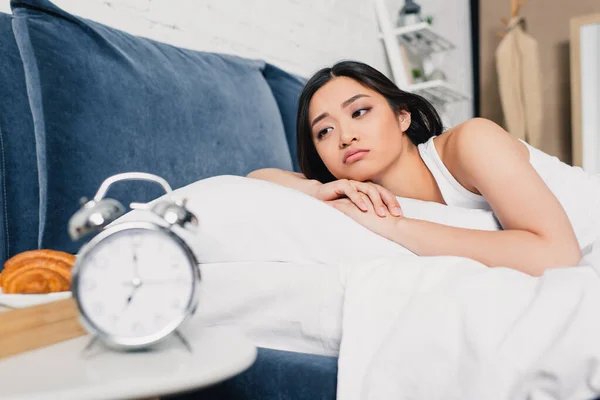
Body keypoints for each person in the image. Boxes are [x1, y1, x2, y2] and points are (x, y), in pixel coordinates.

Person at [248, 60, 599, 276]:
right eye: (324, 131)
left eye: (359, 112)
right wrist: (315, 188)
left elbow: (558, 255)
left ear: (403, 116)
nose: (345, 136)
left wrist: (397, 226)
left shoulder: (472, 142)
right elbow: (255, 179)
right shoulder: (351, 192)